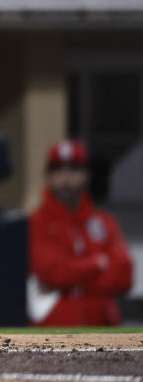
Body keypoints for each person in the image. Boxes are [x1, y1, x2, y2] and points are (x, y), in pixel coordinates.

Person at [29, 140, 133, 326]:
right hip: (51, 330)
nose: (67, 178)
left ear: (86, 174)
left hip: (103, 327)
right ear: (48, 175)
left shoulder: (104, 222)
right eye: (58, 169)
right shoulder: (36, 222)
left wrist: (71, 282)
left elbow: (124, 276)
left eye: (74, 169)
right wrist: (97, 263)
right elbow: (51, 273)